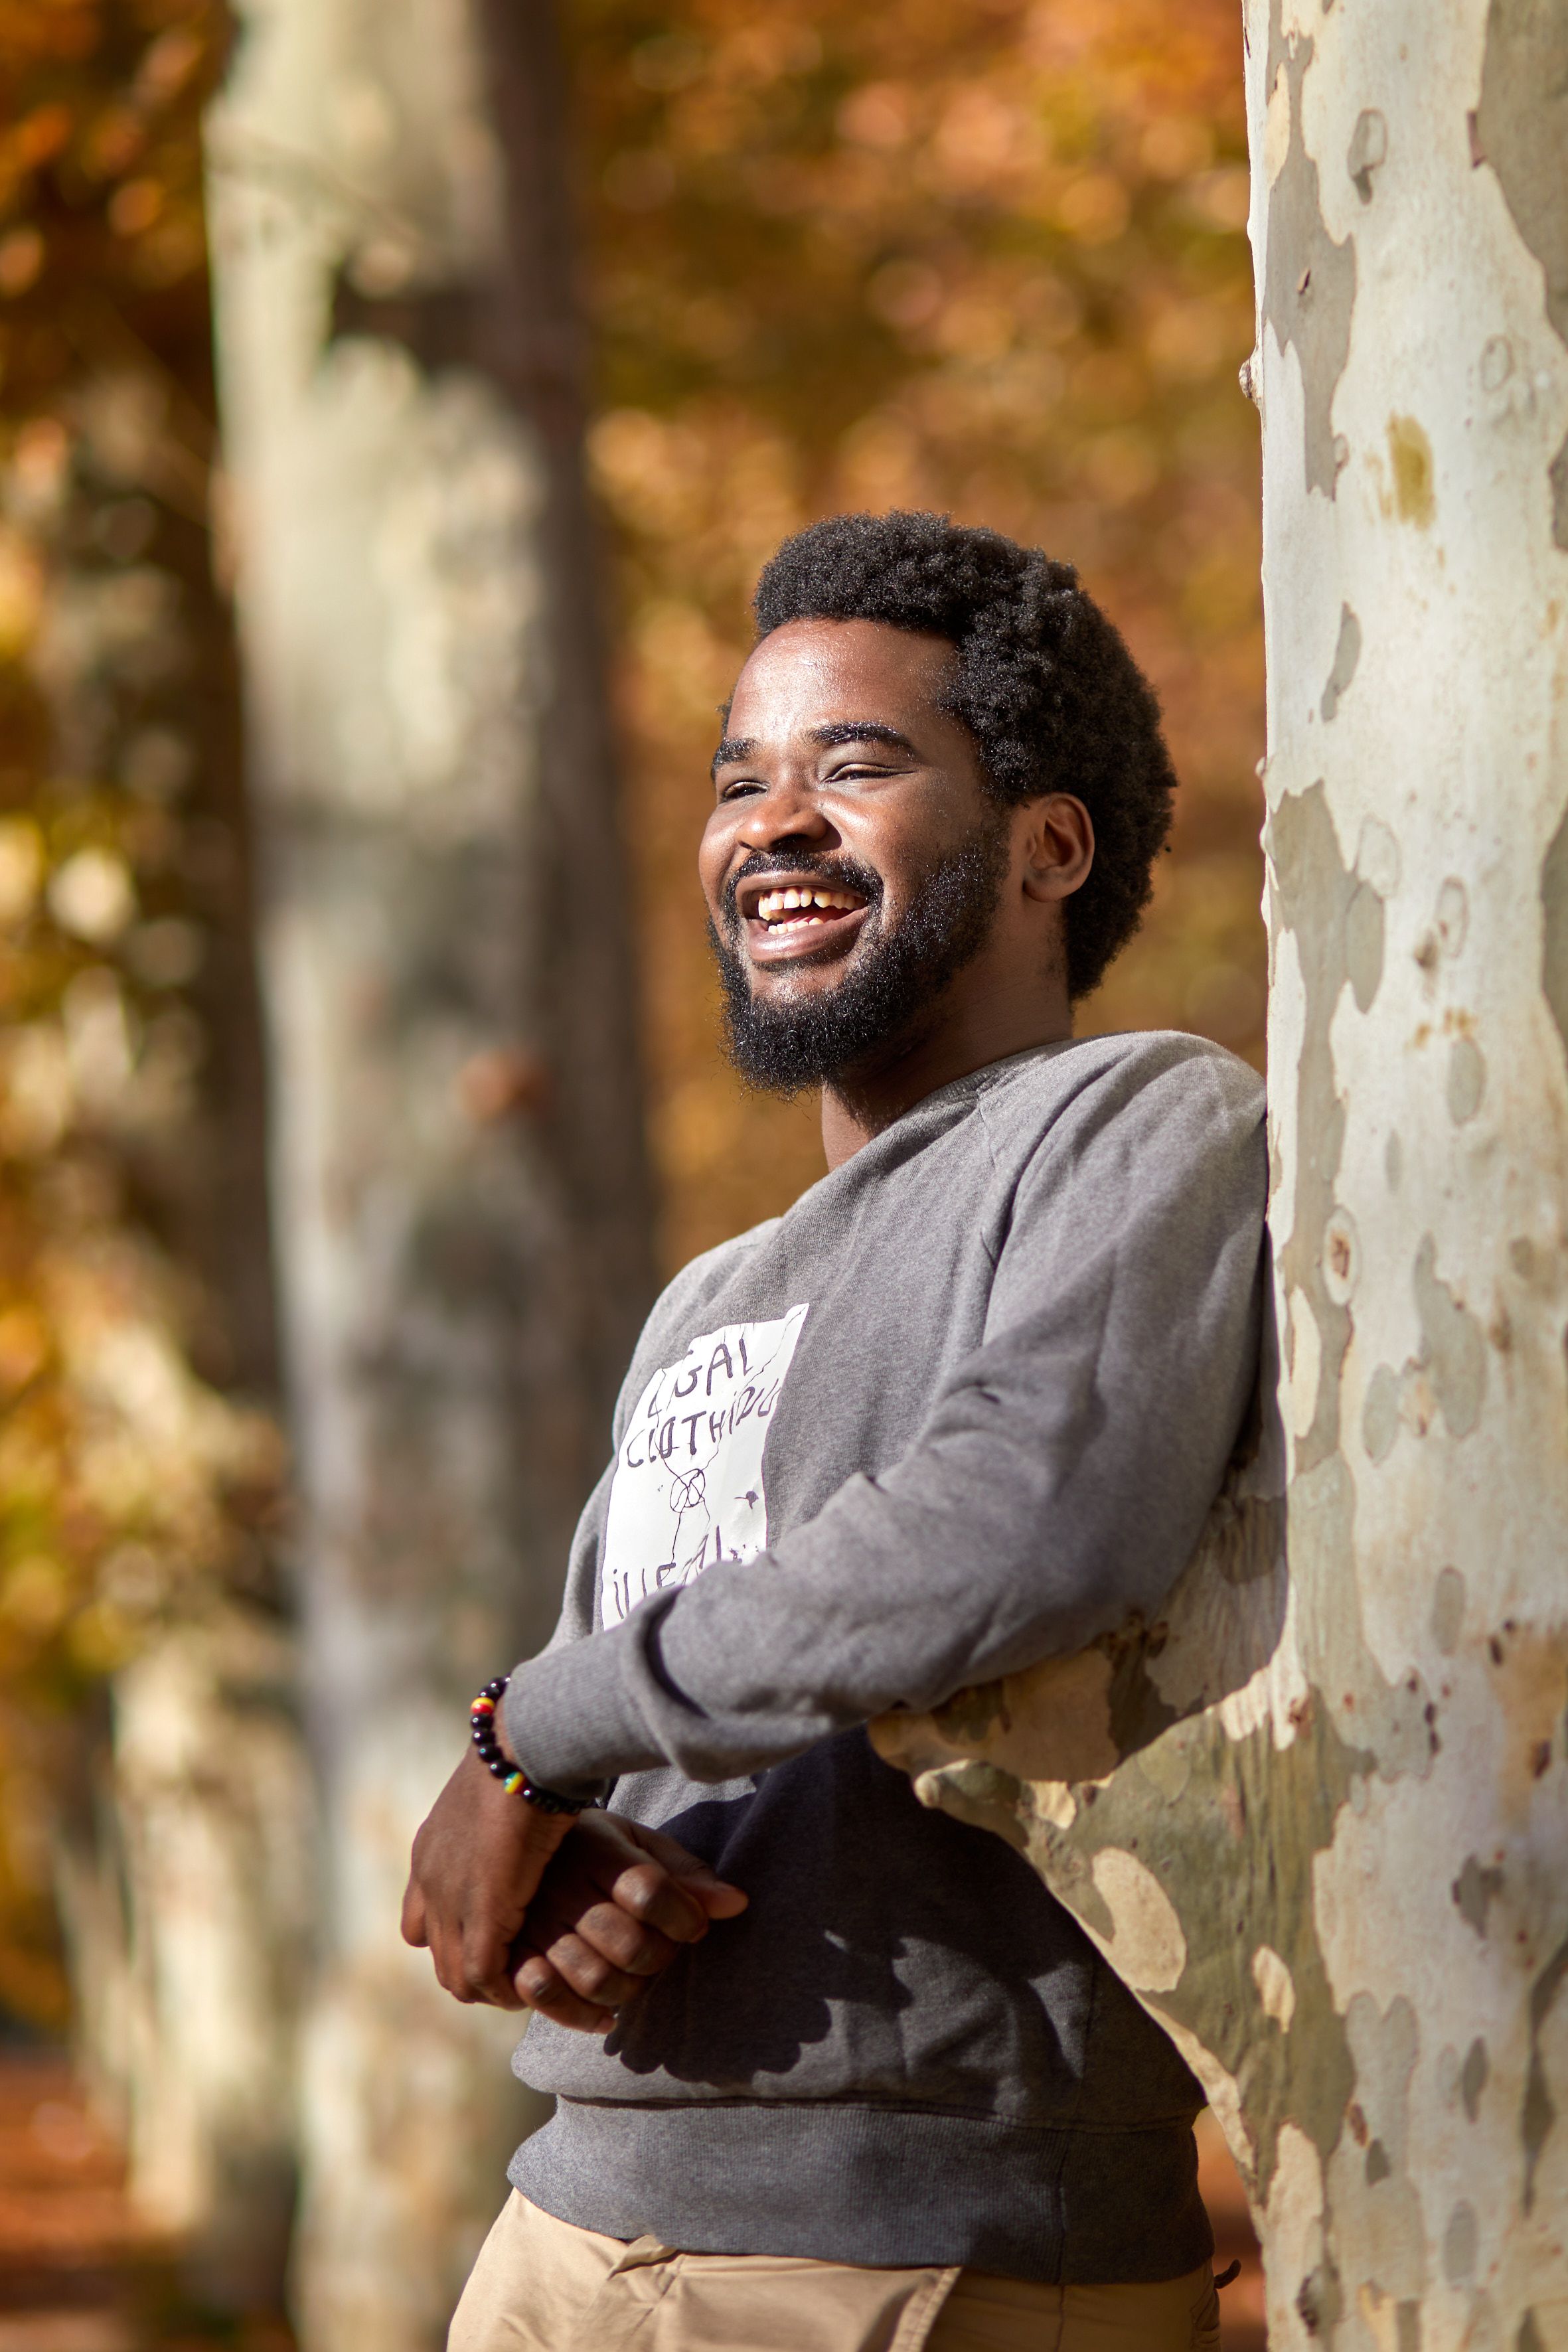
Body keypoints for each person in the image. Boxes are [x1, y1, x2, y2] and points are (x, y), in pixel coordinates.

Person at [403, 510, 1265, 2352]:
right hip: (568, 2228)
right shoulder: (708, 1298)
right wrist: (573, 1880)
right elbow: (619, 1716)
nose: (770, 822)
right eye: (739, 781)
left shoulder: (1131, 1126)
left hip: (920, 2252)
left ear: (1048, 846)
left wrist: (517, 1742)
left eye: (853, 765)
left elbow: (1020, 1524)